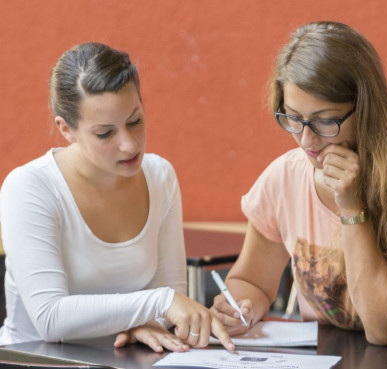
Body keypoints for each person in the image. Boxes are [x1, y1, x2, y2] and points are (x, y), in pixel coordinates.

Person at [212, 21, 387, 346]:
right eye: (293, 117)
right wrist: (238, 308)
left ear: (367, 110)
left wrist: (351, 206)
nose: (306, 140)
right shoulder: (283, 178)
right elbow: (253, 282)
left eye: (325, 120)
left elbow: (384, 326)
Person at [0, 42, 233, 352]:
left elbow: (170, 306)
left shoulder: (160, 176)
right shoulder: (30, 187)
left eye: (135, 121)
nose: (129, 145)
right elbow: (50, 318)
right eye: (105, 133)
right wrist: (156, 303)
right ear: (66, 129)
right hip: (32, 360)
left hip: (124, 358)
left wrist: (146, 318)